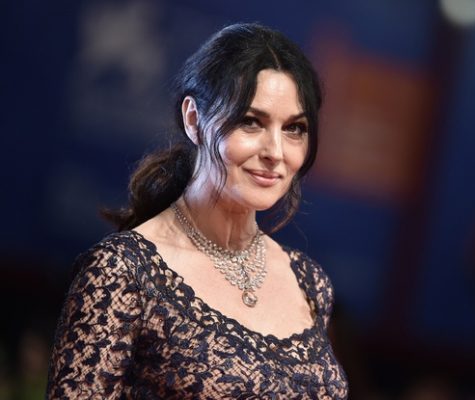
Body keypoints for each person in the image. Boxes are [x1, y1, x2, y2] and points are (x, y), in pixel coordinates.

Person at [46, 23, 348, 399]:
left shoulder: (310, 283)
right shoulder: (123, 273)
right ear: (194, 119)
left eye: (294, 128)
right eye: (250, 122)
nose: (275, 152)